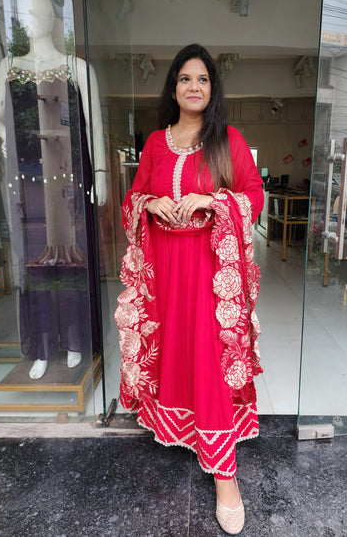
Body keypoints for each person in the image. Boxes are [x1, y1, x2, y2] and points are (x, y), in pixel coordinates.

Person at [114, 44, 264, 534]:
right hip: (164, 266)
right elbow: (134, 196)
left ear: (212, 88)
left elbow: (253, 195)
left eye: (202, 79)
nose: (193, 87)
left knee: (211, 358)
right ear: (173, 88)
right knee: (174, 350)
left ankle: (226, 475)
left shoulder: (228, 139)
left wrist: (212, 199)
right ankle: (180, 428)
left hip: (206, 267)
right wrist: (151, 205)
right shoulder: (156, 143)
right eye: (184, 79)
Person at [0, 0, 107, 379]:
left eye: (40, 11)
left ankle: (74, 340)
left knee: (71, 260)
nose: (33, 19)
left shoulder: (76, 68)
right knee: (33, 267)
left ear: (56, 18)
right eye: (27, 13)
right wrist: (9, 139)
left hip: (67, 185)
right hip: (25, 186)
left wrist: (101, 174)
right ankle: (40, 345)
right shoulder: (9, 65)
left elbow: (94, 128)